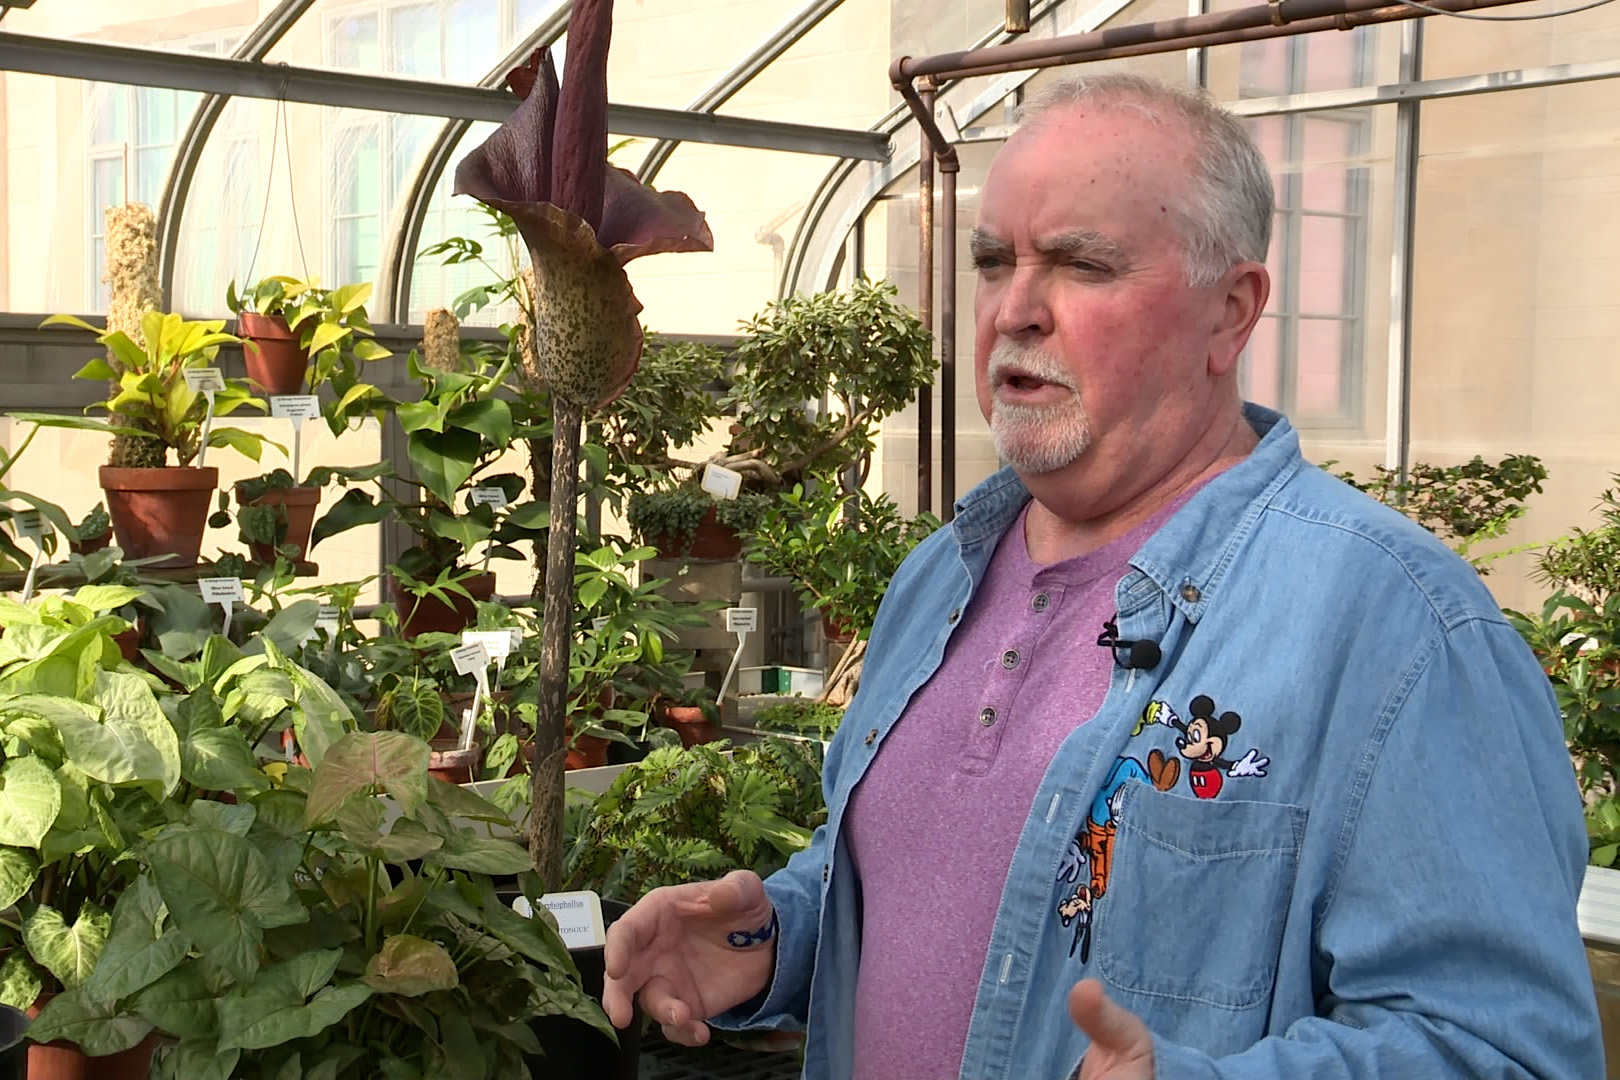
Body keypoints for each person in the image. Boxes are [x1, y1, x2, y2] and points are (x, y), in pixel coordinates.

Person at [602, 72, 1603, 1080]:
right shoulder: (936, 579)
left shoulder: (1395, 628)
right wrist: (775, 936)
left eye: (1082, 265)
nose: (1017, 311)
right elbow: (942, 895)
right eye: (994, 263)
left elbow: (1503, 1050)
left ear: (1230, 314)